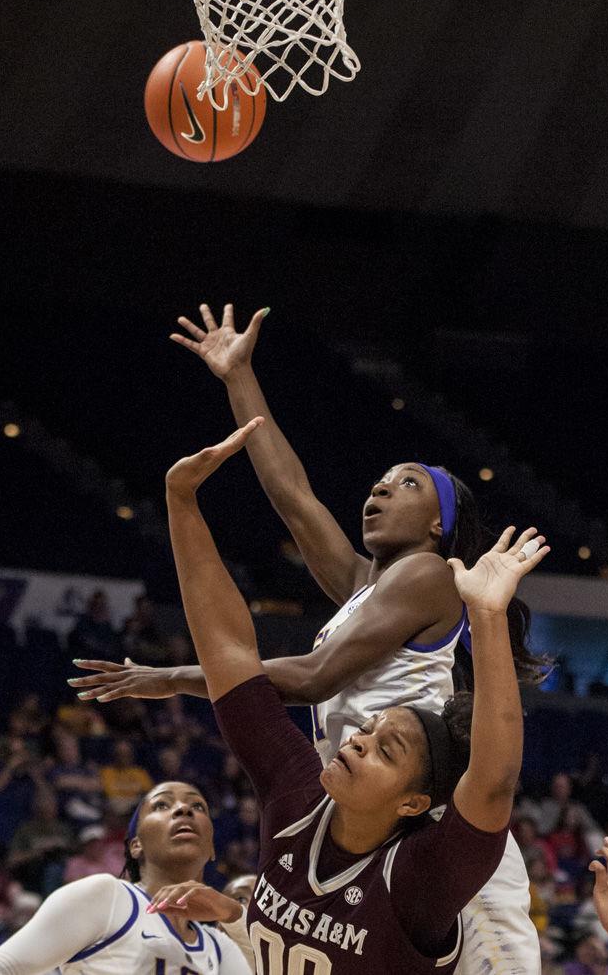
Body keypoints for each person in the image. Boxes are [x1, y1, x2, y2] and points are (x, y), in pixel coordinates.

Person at [70, 304, 547, 973]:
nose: (379, 489)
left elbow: (318, 675)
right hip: (368, 820)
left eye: (405, 483)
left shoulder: (431, 576)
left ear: (440, 523)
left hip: (438, 838)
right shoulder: (364, 581)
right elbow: (292, 494)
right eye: (378, 482)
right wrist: (239, 377)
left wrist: (177, 676)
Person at [0, 781, 252, 974]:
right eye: (162, 805)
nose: (184, 810)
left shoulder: (219, 945)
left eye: (198, 806)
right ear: (135, 844)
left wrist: (232, 913)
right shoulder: (108, 897)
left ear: (213, 847)